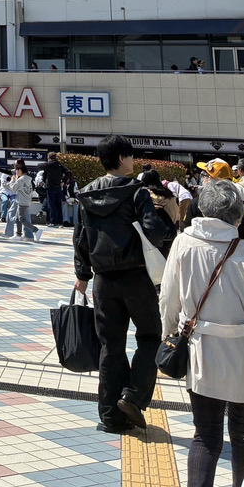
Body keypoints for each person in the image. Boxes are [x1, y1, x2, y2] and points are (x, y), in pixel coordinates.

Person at [159, 178, 244, 487]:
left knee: (206, 436)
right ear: (237, 216)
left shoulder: (182, 244)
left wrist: (168, 335)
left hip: (201, 353)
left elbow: (168, 299)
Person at [73, 133, 166, 433]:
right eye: (131, 155)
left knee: (110, 345)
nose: (134, 160)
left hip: (103, 281)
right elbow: (155, 231)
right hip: (135, 277)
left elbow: (80, 238)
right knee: (150, 336)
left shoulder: (86, 194)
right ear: (123, 158)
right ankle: (133, 396)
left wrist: (82, 276)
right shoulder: (136, 192)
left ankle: (111, 416)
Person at [140, 169, 178, 257]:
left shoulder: (141, 194)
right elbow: (175, 215)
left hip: (145, 235)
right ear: (158, 179)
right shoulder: (168, 195)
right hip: (165, 236)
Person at [3, 159, 41, 241]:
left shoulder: (20, 180)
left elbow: (13, 188)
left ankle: (36, 230)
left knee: (22, 219)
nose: (16, 172)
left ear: (20, 170)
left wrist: (13, 180)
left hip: (22, 201)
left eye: (17, 170)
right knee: (18, 219)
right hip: (26, 200)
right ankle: (18, 234)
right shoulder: (28, 179)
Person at [43, 151, 66, 226]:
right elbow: (68, 172)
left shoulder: (48, 165)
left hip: (50, 186)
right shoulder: (59, 165)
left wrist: (44, 181)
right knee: (58, 204)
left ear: (49, 158)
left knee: (51, 204)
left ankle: (53, 221)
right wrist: (64, 181)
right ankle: (60, 221)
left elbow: (44, 174)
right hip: (58, 186)